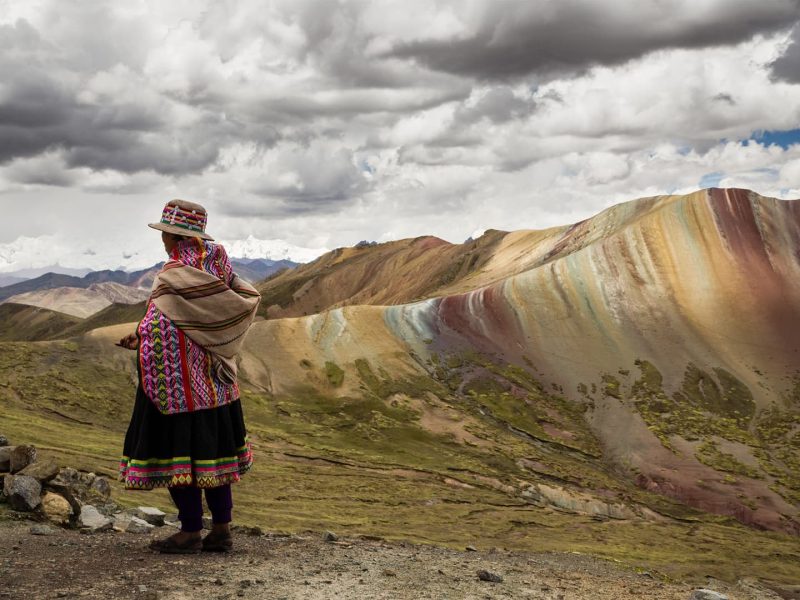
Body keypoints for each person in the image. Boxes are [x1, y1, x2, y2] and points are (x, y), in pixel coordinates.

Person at [117, 199, 261, 554]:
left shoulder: (175, 274)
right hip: (217, 386)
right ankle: (222, 529)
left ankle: (190, 531)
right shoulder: (220, 270)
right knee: (214, 458)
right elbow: (212, 320)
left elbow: (164, 327)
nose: (162, 240)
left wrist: (142, 338)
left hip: (175, 391)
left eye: (164, 233)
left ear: (171, 235)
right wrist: (145, 333)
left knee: (178, 456)